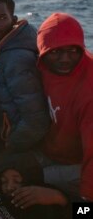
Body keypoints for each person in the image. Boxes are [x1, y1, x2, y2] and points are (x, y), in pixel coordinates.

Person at [0, 0, 50, 181]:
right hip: (14, 139)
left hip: (27, 146)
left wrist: (5, 154)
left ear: (14, 20)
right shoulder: (5, 48)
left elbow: (36, 121)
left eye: (2, 18)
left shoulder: (16, 59)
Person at [35, 12, 92, 200]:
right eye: (55, 51)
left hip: (80, 165)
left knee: (28, 178)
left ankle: (65, 206)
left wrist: (86, 199)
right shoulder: (41, 66)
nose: (65, 59)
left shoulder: (88, 90)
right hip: (51, 152)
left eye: (73, 51)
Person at [0, 154, 69, 219]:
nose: (9, 187)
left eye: (17, 181)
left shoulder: (44, 200)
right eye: (4, 181)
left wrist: (60, 198)